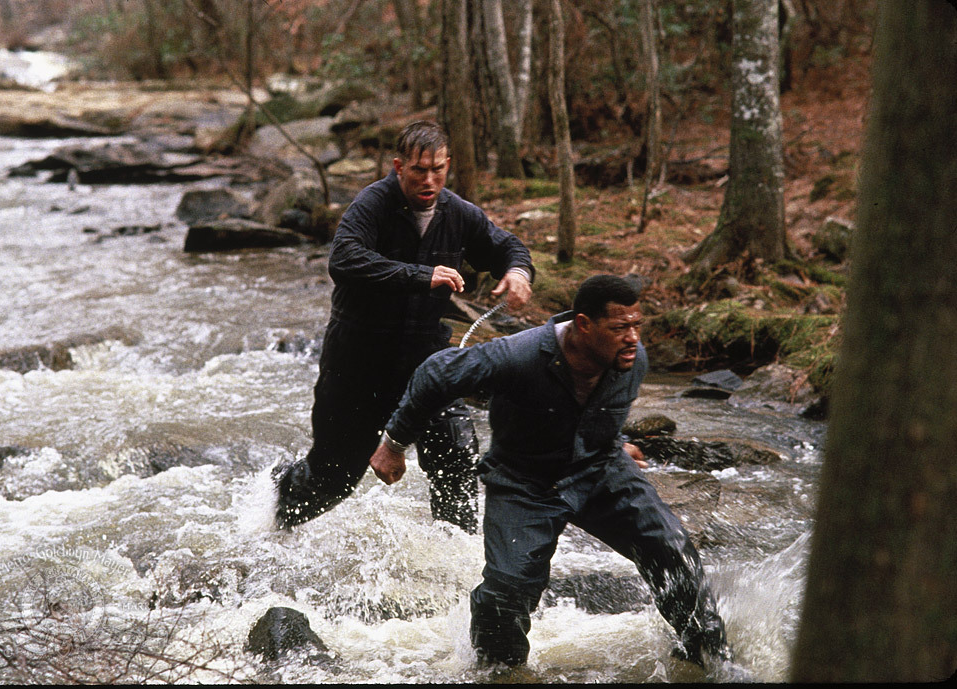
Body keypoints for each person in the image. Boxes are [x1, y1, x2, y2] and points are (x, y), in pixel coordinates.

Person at [369, 274, 732, 668]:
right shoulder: (518, 355)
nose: (632, 338)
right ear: (583, 325)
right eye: (619, 328)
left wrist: (609, 439)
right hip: (523, 482)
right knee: (506, 591)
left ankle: (709, 659)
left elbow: (598, 414)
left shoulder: (632, 360)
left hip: (601, 469)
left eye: (636, 326)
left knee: (674, 552)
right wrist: (394, 445)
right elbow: (437, 373)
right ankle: (499, 672)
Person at [274, 120, 534, 534]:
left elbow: (506, 246)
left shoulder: (460, 214)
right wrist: (419, 275)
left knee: (457, 457)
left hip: (426, 364)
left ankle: (455, 565)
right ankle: (272, 514)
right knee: (333, 479)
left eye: (439, 169)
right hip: (357, 365)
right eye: (419, 170)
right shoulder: (372, 205)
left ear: (449, 165)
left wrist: (518, 272)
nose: (429, 180)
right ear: (399, 166)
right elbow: (344, 260)